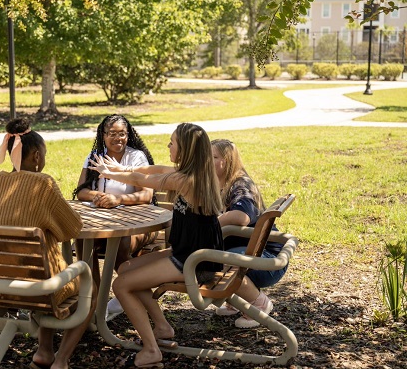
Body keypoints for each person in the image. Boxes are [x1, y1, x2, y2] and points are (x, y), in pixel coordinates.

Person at [90, 123, 223, 369]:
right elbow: (150, 168)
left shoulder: (186, 180)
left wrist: (110, 173)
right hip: (186, 254)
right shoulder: (191, 173)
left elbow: (144, 179)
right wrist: (121, 167)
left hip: (193, 262)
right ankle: (162, 327)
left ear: (185, 150)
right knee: (127, 268)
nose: (168, 146)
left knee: (121, 285)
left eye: (172, 143)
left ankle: (151, 350)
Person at [0, 118, 97, 369]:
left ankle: (44, 352)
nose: (43, 159)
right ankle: (61, 359)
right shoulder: (42, 183)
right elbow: (71, 230)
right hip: (38, 286)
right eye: (43, 154)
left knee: (43, 266)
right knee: (91, 286)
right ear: (35, 156)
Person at [72, 114, 156, 321]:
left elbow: (146, 195)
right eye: (112, 134)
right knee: (83, 242)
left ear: (128, 135)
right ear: (103, 135)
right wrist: (99, 197)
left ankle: (126, 293)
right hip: (102, 223)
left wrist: (117, 199)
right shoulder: (94, 156)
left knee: (120, 243)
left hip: (140, 225)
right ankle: (93, 299)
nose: (118, 138)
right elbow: (81, 191)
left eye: (122, 134)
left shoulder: (136, 157)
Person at [211, 139, 288, 328]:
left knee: (215, 261)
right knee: (214, 255)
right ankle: (236, 301)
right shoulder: (220, 183)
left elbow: (242, 216)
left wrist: (211, 224)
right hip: (253, 252)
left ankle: (259, 304)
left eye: (213, 157)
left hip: (266, 260)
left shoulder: (240, 185)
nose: (207, 161)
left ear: (228, 161)